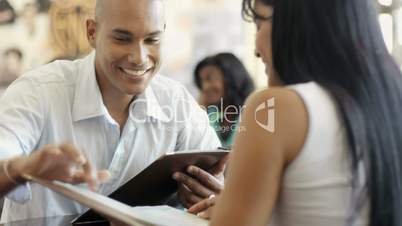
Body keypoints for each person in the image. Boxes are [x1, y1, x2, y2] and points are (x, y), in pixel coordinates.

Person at [0, 0, 225, 222]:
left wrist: (212, 198)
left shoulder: (176, 102)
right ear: (92, 32)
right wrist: (25, 167)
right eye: (122, 39)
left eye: (152, 39)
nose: (139, 57)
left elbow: (221, 186)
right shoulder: (38, 92)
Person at [189, 0, 402, 226]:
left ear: (300, 26)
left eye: (260, 24)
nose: (255, 49)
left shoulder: (275, 108)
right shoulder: (390, 104)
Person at [194, 53, 255, 149]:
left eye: (210, 78)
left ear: (232, 77)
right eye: (201, 81)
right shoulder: (210, 114)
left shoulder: (254, 111)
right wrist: (199, 113)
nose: (204, 87)